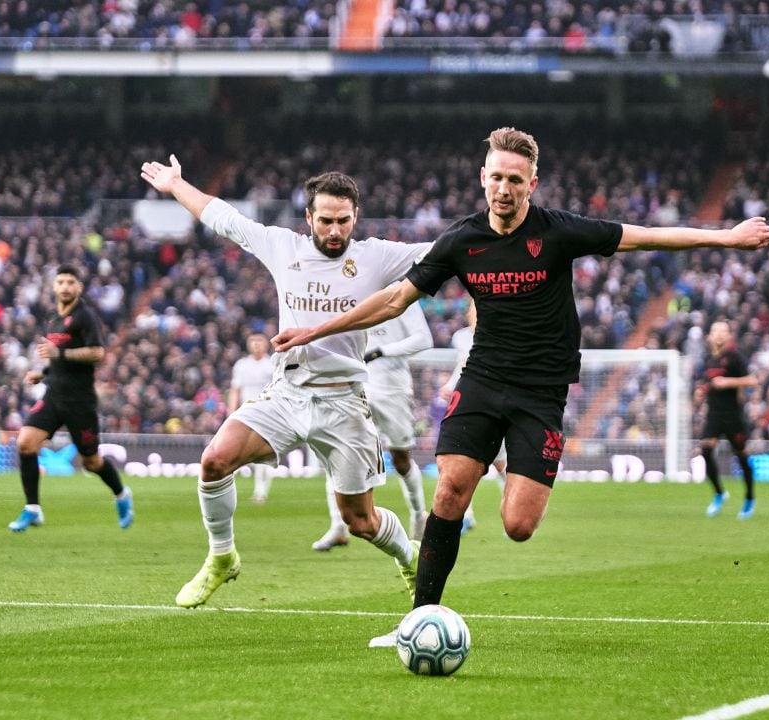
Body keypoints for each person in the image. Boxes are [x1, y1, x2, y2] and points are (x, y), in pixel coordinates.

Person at [272, 126, 769, 645]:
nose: (503, 188)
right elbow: (393, 300)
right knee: (449, 488)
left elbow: (643, 234)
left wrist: (726, 236)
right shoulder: (461, 240)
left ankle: (511, 475)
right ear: (482, 178)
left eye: (514, 179)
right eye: (495, 177)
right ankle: (418, 618)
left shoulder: (557, 231)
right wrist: (315, 330)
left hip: (541, 392)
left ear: (532, 183)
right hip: (483, 378)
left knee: (518, 524)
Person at [139, 155, 429, 609]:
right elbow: (222, 217)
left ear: (357, 217)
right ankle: (222, 557)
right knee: (214, 461)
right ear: (309, 218)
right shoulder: (282, 247)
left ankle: (411, 559)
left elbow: (447, 249)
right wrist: (177, 185)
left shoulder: (375, 256)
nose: (336, 231)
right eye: (327, 221)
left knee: (361, 521)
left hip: (345, 404)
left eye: (344, 221)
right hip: (288, 395)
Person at [10, 264, 134, 532]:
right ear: (54, 287)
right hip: (54, 396)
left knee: (91, 462)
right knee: (25, 444)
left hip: (80, 403)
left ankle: (122, 494)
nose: (65, 286)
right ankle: (33, 509)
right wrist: (42, 373)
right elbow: (57, 359)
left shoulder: (85, 316)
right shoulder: (52, 318)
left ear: (79, 287)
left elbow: (97, 353)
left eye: (70, 282)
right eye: (61, 282)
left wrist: (59, 355)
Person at [312, 299, 432, 551]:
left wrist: (380, 351)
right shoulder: (356, 290)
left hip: (393, 387)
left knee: (401, 459)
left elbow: (424, 340)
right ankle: (337, 526)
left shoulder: (403, 294)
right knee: (337, 451)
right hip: (355, 383)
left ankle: (419, 515)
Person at [440, 300, 506, 535]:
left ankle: (512, 509)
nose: (473, 314)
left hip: (493, 405)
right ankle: (464, 516)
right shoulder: (461, 337)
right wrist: (449, 385)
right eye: (471, 310)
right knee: (459, 463)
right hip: (467, 406)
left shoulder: (500, 335)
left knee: (500, 465)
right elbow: (462, 365)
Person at [698, 320, 759, 520]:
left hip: (733, 415)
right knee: (705, 451)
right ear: (710, 335)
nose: (719, 335)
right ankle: (719, 493)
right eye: (715, 331)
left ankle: (749, 498)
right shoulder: (708, 359)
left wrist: (728, 382)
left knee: (741, 456)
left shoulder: (734, 357)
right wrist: (700, 393)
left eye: (723, 331)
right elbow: (709, 384)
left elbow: (752, 380)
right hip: (714, 414)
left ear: (729, 335)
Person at [227, 333, 276, 504]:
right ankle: (227, 489)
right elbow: (235, 389)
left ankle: (260, 492)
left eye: (259, 341)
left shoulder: (272, 364)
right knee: (238, 451)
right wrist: (231, 411)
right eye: (252, 341)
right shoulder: (241, 365)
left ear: (266, 344)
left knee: (261, 454)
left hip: (267, 413)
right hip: (245, 413)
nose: (256, 344)